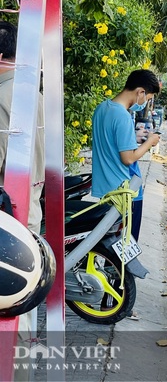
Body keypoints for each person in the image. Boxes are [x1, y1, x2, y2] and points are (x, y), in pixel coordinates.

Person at [0, 21, 46, 382]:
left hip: (7, 222)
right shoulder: (33, 94)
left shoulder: (3, 98)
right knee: (23, 308)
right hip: (29, 212)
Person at [91, 69, 161, 241]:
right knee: (125, 250)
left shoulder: (102, 109)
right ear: (140, 92)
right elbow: (128, 158)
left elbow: (110, 144)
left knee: (108, 246)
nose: (145, 103)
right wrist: (149, 142)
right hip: (125, 193)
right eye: (148, 98)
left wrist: (134, 138)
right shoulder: (122, 116)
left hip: (106, 191)